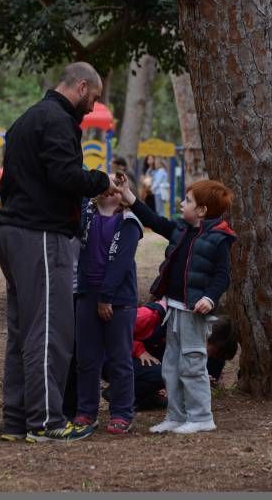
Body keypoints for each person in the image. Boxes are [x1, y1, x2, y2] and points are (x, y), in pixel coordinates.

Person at [0, 61, 115, 443]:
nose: (93, 107)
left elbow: (11, 181)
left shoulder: (25, 120)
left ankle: (16, 421)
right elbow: (65, 176)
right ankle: (46, 422)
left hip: (12, 232)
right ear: (81, 87)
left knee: (21, 331)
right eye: (93, 98)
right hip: (41, 236)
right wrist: (102, 181)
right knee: (50, 331)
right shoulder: (58, 121)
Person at [115, 177, 236, 434]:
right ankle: (176, 414)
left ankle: (201, 416)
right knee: (171, 364)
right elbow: (154, 220)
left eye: (188, 200)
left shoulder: (219, 239)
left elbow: (222, 276)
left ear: (202, 210)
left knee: (192, 363)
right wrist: (128, 195)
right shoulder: (182, 230)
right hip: (173, 308)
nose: (182, 204)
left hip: (194, 312)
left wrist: (209, 298)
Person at [73, 182, 143, 435]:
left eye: (115, 185)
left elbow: (121, 263)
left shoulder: (129, 222)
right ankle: (86, 411)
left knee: (120, 359)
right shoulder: (87, 216)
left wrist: (106, 297)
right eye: (106, 182)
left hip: (119, 299)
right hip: (86, 294)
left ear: (124, 195)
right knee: (86, 358)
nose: (109, 187)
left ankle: (122, 412)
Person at [104, 303, 238, 411]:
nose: (205, 356)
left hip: (143, 362)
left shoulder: (189, 336)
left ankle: (145, 397)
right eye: (209, 351)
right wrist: (139, 350)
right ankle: (119, 395)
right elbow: (112, 333)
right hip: (112, 358)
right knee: (164, 373)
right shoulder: (152, 316)